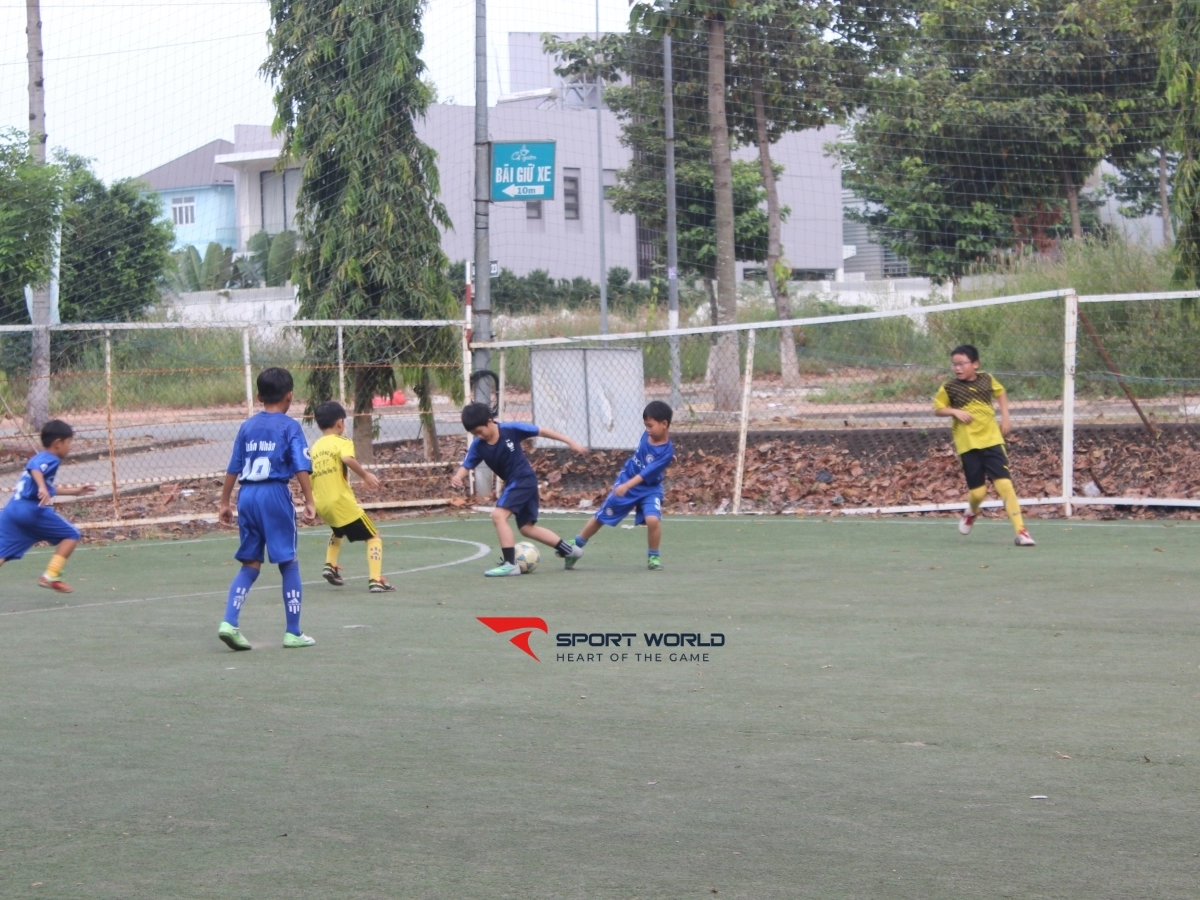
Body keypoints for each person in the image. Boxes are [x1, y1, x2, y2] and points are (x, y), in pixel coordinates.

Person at [216, 367, 318, 651]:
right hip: (274, 494)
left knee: (250, 564)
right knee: (288, 562)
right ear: (290, 396)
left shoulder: (247, 426)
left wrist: (225, 502)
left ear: (259, 396)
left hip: (246, 496)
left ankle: (229, 622)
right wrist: (309, 500)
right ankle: (293, 632)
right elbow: (300, 465)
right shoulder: (290, 427)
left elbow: (233, 467)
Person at [450, 402, 587, 576]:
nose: (479, 436)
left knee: (498, 516)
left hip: (522, 479)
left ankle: (510, 564)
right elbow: (467, 464)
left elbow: (542, 431)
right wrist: (458, 477)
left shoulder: (511, 429)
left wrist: (570, 442)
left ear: (489, 421)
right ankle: (570, 551)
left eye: (479, 431)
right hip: (519, 482)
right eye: (474, 434)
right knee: (526, 528)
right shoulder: (478, 445)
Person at [933, 344, 1036, 547]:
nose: (957, 368)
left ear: (975, 364)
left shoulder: (987, 379)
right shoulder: (949, 387)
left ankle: (1021, 532)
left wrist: (1006, 417)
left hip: (992, 440)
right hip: (968, 444)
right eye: (954, 364)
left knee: (1005, 485)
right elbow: (938, 409)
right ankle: (971, 512)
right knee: (979, 493)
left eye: (962, 364)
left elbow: (1000, 393)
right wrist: (954, 412)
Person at [565, 401, 675, 570]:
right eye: (645, 425)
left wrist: (627, 486)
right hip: (627, 481)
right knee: (602, 517)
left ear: (664, 424)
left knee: (653, 520)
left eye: (650, 425)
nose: (647, 429)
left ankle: (654, 557)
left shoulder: (666, 453)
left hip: (649, 489)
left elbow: (646, 474)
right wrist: (625, 485)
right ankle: (575, 545)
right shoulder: (648, 435)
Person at [0, 420, 96, 593]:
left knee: (2, 553)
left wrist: (74, 491)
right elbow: (34, 468)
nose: (70, 447)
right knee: (71, 534)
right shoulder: (49, 459)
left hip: (12, 509)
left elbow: (43, 480)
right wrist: (43, 487)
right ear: (58, 443)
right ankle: (51, 575)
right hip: (31, 511)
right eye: (69, 443)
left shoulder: (40, 456)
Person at [310, 400, 394, 593]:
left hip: (322, 503)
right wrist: (365, 475)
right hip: (341, 502)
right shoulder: (343, 442)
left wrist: (310, 501)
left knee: (338, 530)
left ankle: (330, 565)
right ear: (340, 423)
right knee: (373, 537)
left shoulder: (314, 448)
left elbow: (307, 474)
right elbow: (347, 459)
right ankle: (375, 580)